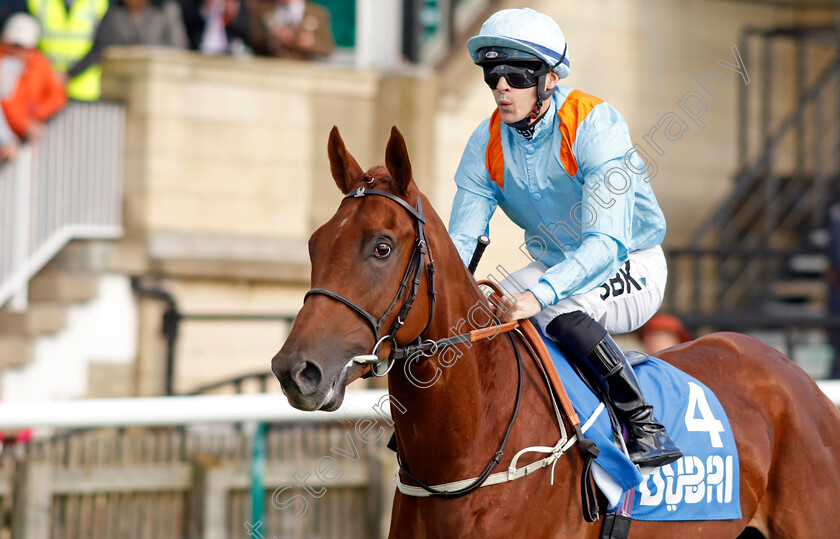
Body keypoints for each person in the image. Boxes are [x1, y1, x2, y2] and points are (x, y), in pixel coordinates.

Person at [448, 8, 681, 468]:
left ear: (549, 79)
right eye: (492, 74)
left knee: (556, 305)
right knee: (477, 312)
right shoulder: (485, 142)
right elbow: (462, 240)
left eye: (515, 74)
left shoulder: (594, 123)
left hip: (630, 261)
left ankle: (644, 425)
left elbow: (607, 243)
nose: (501, 87)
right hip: (558, 265)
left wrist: (539, 294)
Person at [0, 13, 67, 161]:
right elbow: (5, 106)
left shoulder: (39, 63)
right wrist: (25, 125)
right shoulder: (4, 64)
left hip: (22, 139)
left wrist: (36, 115)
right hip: (10, 140)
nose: (17, 51)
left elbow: (57, 96)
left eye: (22, 47)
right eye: (14, 45)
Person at [27, 0, 110, 102]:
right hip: (46, 88)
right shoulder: (37, 2)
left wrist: (69, 74)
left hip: (83, 89)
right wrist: (46, 74)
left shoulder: (99, 3)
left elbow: (100, 46)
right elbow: (26, 45)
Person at [250, 0, 333, 60]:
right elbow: (252, 41)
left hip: (303, 71)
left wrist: (310, 42)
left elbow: (328, 49)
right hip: (271, 70)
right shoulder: (262, 9)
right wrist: (273, 38)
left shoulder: (317, 13)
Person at [99, 0, 189, 49]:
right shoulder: (115, 11)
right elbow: (103, 45)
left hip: (159, 76)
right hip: (122, 75)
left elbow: (179, 46)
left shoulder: (166, 10)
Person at [181, 0, 254, 55]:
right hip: (199, 50)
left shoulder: (235, 3)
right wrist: (205, 7)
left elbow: (246, 31)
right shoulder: (196, 3)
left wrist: (231, 16)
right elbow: (186, 23)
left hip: (228, 52)